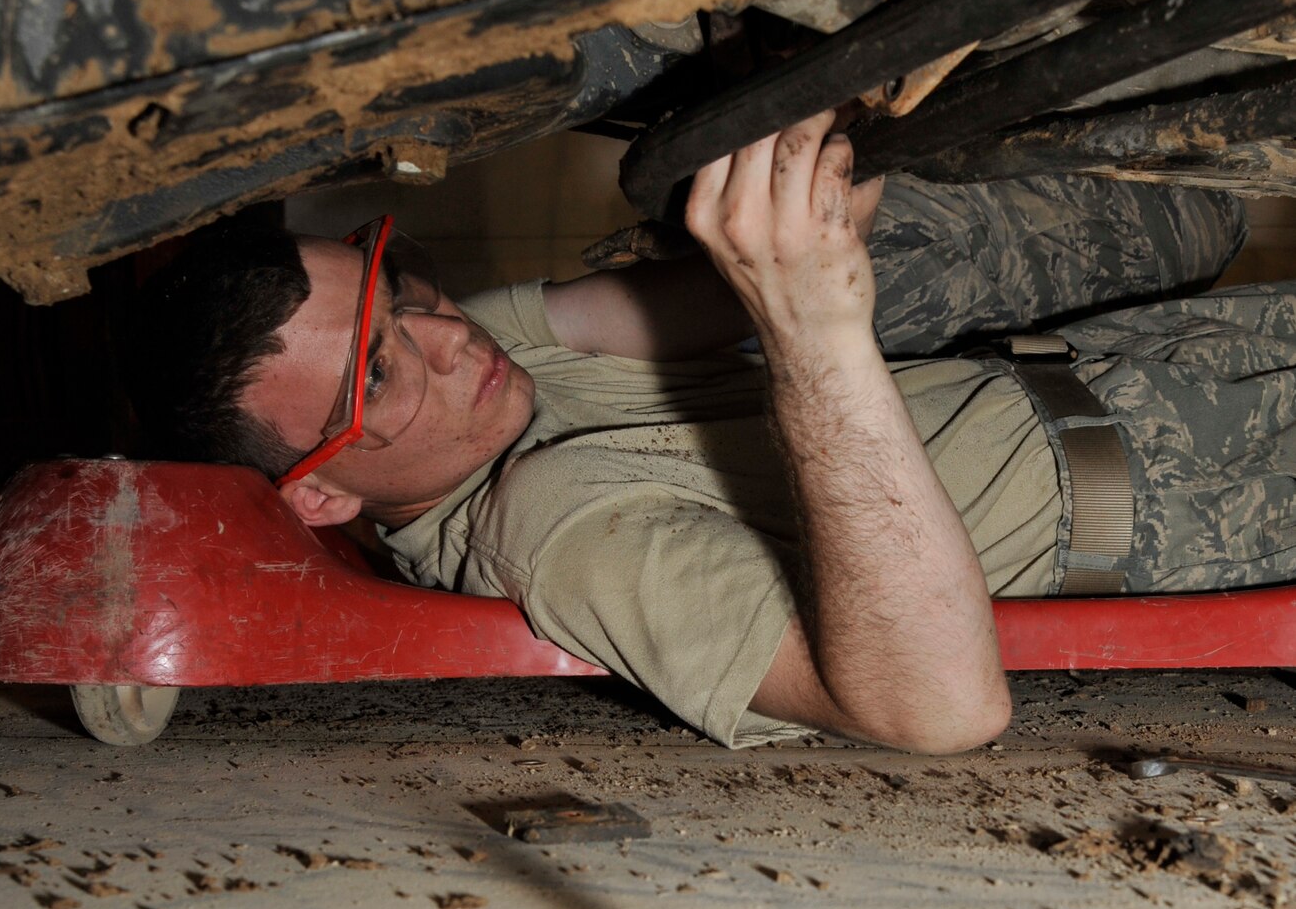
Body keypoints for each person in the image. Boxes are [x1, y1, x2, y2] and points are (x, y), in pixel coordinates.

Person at [129, 112, 1267, 754]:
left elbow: (712, 290)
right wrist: (813, 327)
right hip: (1196, 492)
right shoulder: (556, 534)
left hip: (1153, 359)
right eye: (378, 370)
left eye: (397, 292)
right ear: (321, 493)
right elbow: (938, 712)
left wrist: (796, 169)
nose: (443, 338)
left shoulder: (486, 356)